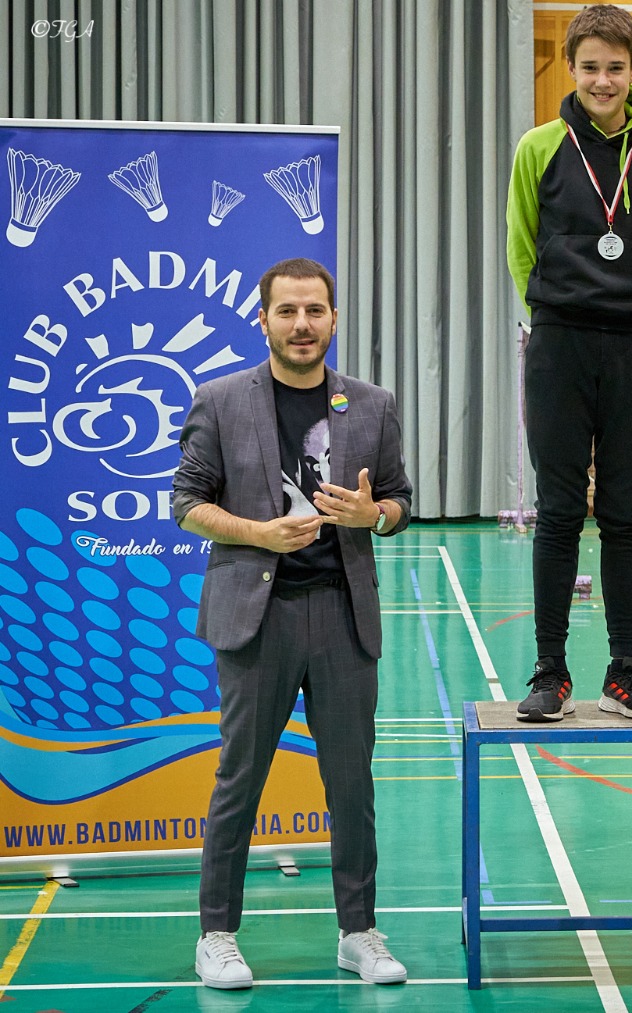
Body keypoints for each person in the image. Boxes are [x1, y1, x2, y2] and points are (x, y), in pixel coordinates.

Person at [172, 258, 412, 989]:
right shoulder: (219, 400)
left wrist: (374, 515)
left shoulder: (372, 404)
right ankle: (217, 933)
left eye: (315, 310)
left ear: (334, 319)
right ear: (265, 318)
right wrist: (257, 531)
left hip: (343, 617)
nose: (302, 324)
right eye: (288, 311)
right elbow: (185, 502)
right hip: (257, 617)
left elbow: (400, 500)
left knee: (351, 784)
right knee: (239, 779)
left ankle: (359, 930)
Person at [506, 3, 632, 722]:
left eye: (615, 68)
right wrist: (560, 305)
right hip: (559, 343)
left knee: (625, 514)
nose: (603, 81)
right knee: (556, 511)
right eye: (590, 68)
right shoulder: (539, 147)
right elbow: (524, 243)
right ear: (570, 70)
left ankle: (624, 670)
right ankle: (550, 672)